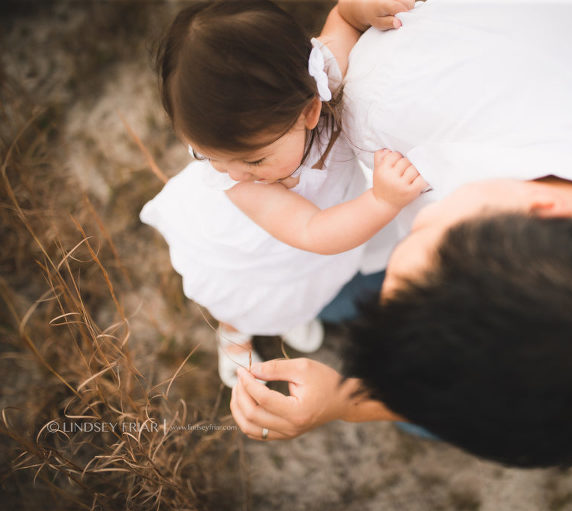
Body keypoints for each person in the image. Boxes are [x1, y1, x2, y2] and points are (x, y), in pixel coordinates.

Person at [230, 0, 572, 467]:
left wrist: (345, 401)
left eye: (421, 229)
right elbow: (352, 25)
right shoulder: (394, 86)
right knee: (337, 293)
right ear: (544, 210)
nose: (412, 230)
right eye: (424, 234)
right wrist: (348, 12)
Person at [141, 0, 424, 387]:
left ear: (309, 112)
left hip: (306, 255)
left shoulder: (323, 77)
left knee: (298, 295)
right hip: (251, 249)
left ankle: (291, 312)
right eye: (206, 154)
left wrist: (363, 9)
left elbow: (342, 18)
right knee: (243, 299)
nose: (233, 172)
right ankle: (234, 334)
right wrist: (381, 201)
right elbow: (312, 231)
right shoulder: (238, 186)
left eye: (254, 160)